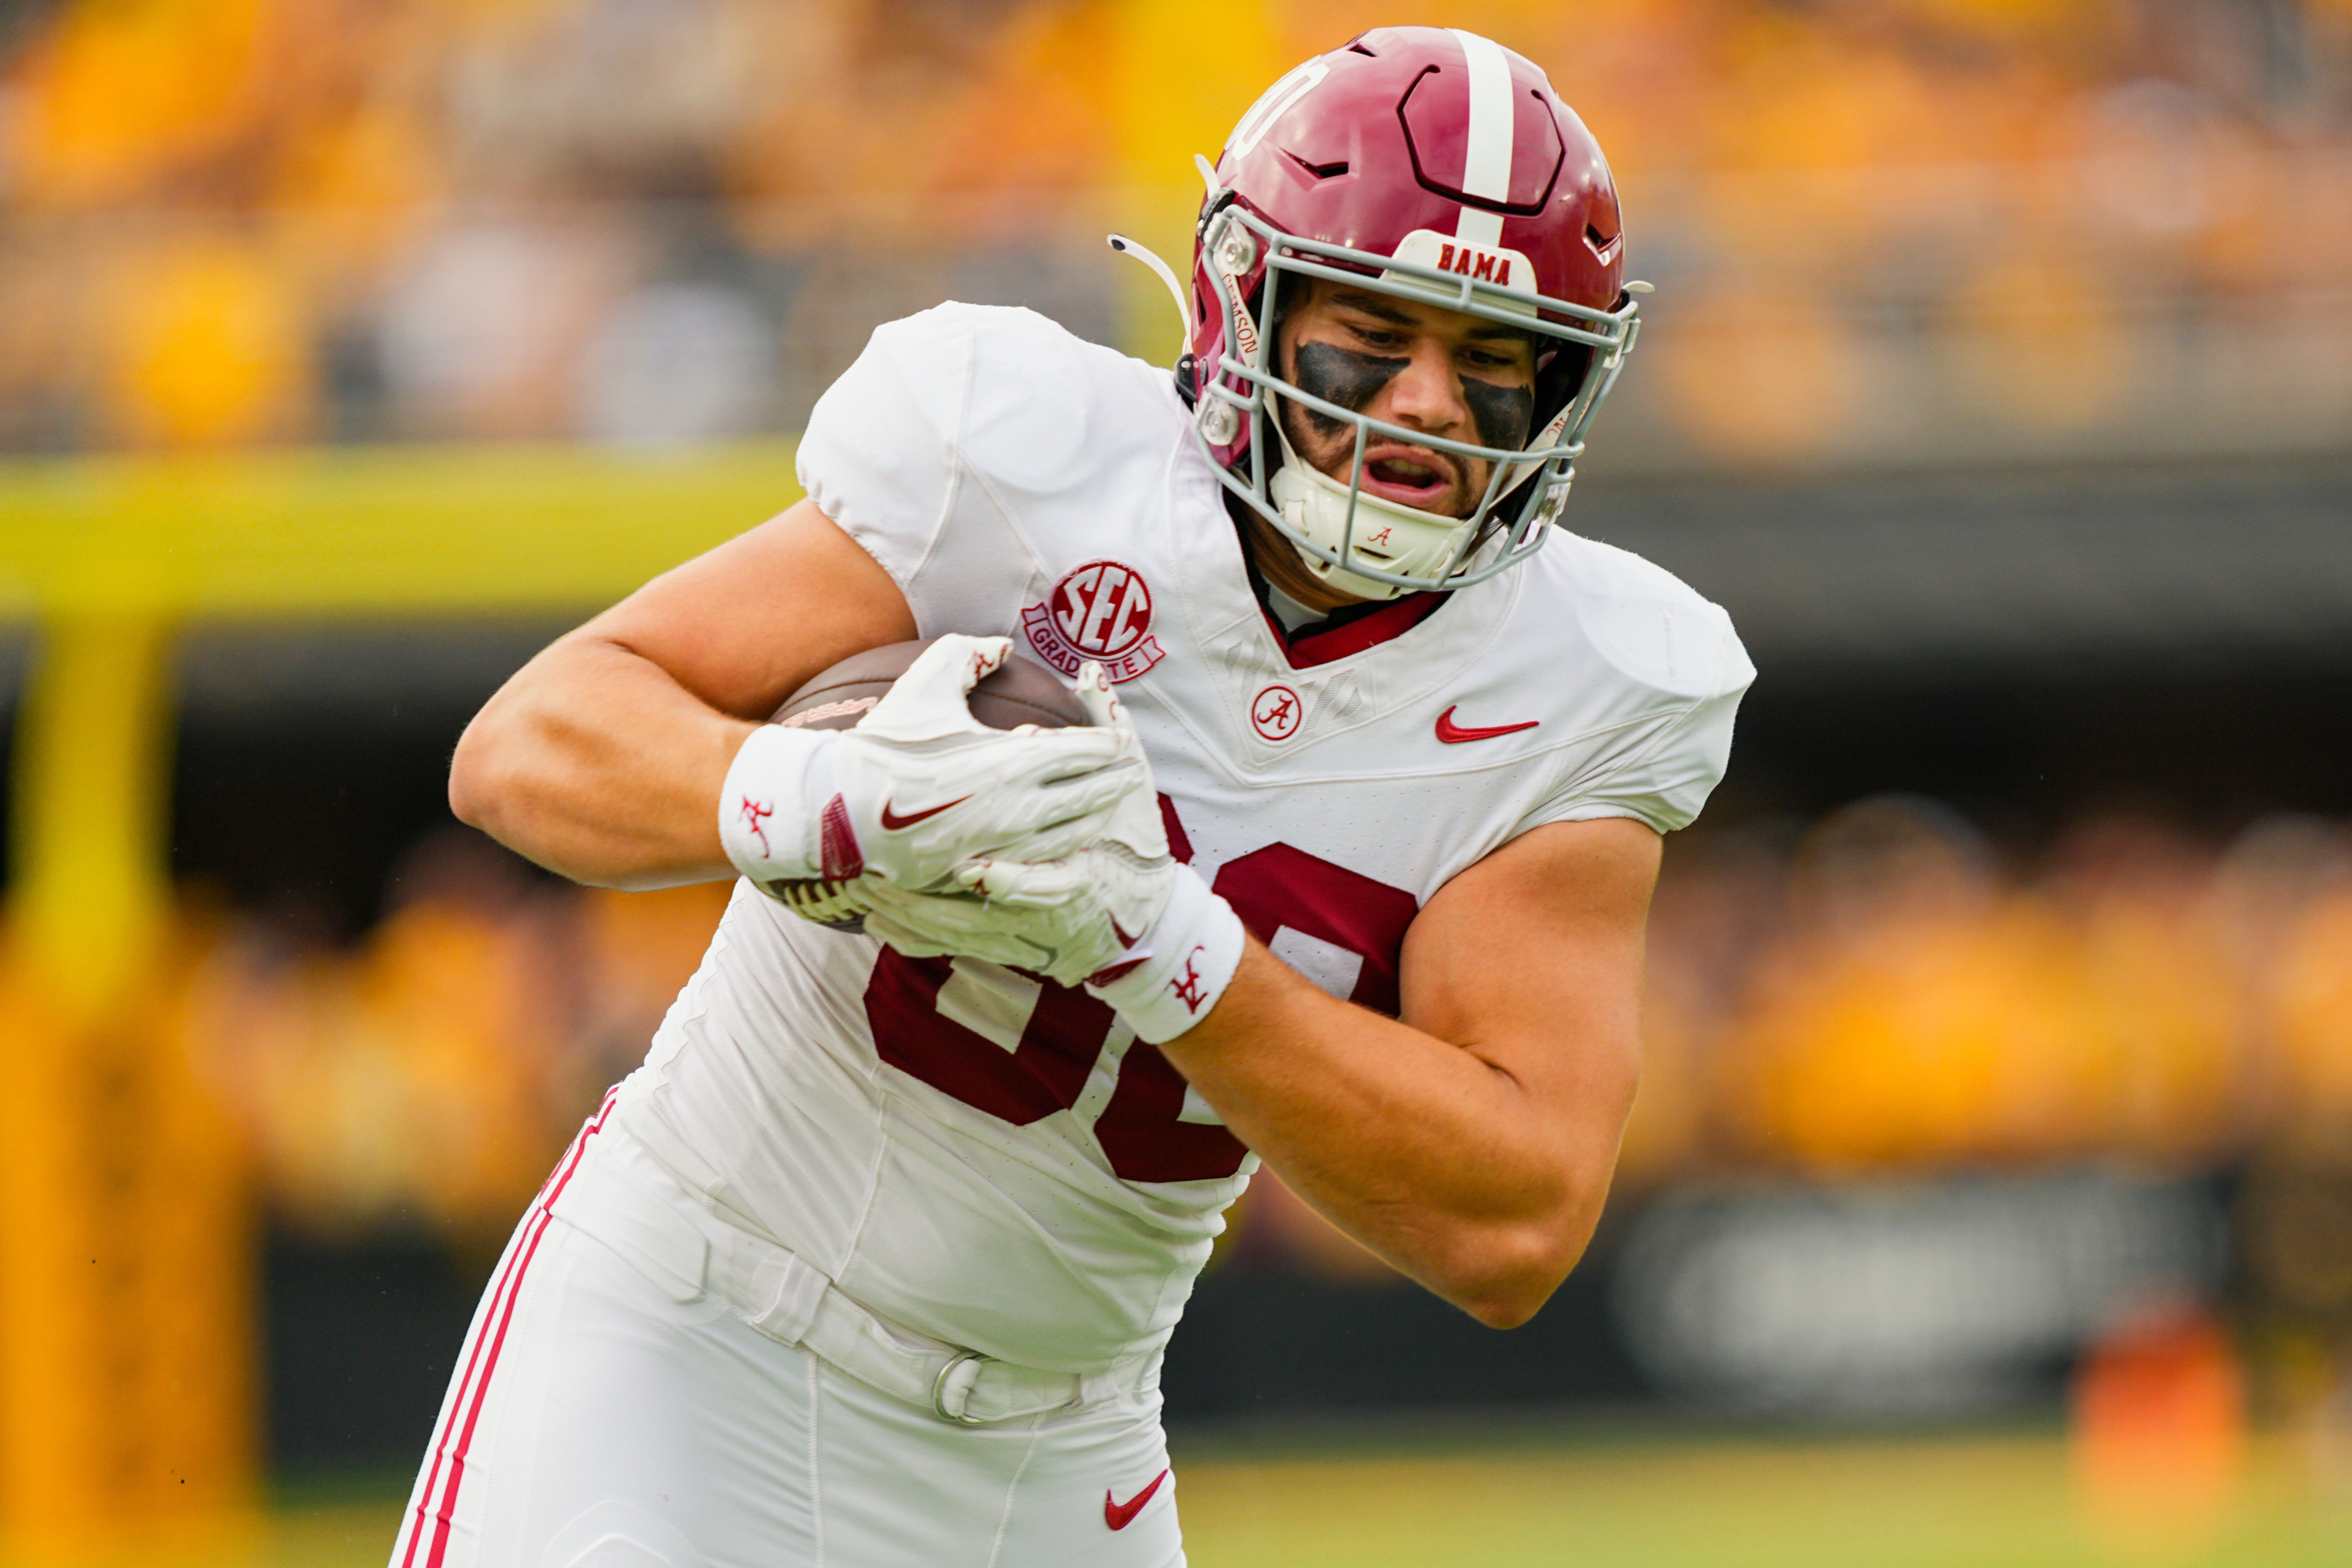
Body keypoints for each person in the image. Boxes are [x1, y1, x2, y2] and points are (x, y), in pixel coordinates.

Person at [393, 25, 1752, 1568]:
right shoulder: (1029, 460)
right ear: (1252, 303)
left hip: (1054, 1453)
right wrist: (829, 800)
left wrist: (1166, 948)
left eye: (1493, 361)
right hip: (694, 1330)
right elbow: (532, 744)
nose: (1431, 405)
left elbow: (1513, 1222)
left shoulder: (1588, 676)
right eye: (1372, 329)